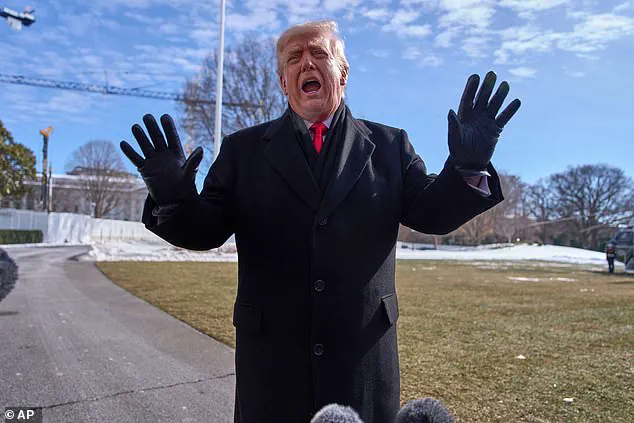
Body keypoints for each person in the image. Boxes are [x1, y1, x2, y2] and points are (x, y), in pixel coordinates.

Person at [120, 20, 521, 423]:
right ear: (283, 81)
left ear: (342, 73)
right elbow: (205, 229)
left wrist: (467, 167)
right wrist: (173, 198)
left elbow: (431, 214)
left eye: (319, 53)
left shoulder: (389, 146)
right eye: (294, 57)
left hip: (363, 364)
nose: (306, 63)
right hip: (272, 366)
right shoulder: (242, 151)